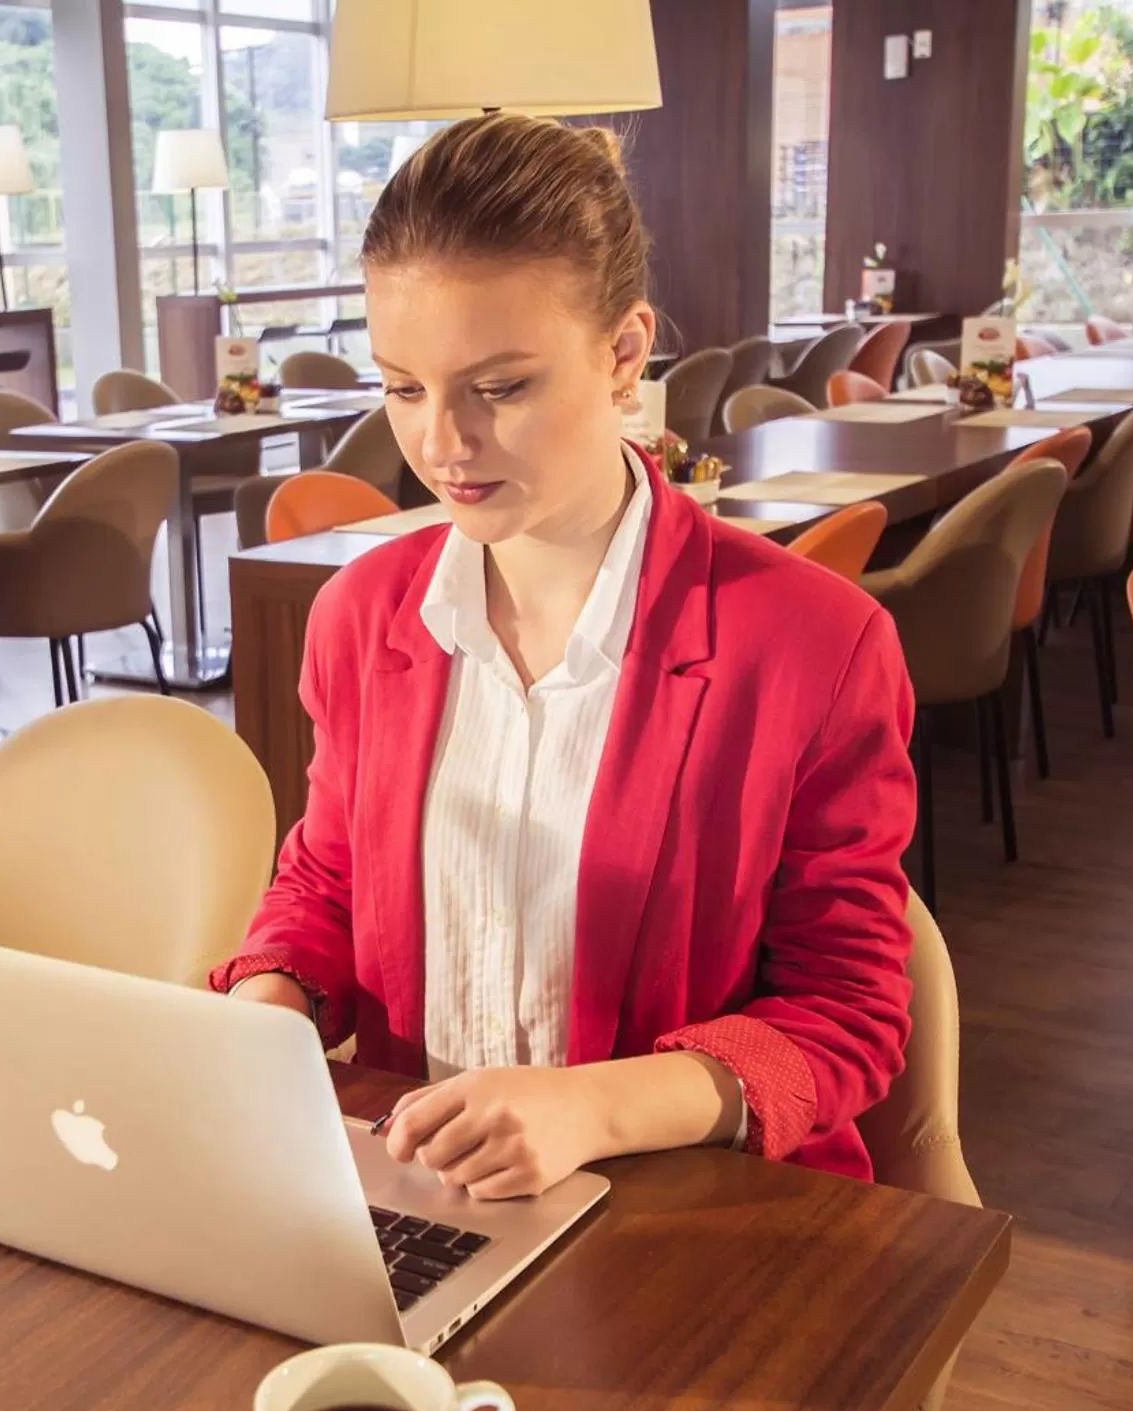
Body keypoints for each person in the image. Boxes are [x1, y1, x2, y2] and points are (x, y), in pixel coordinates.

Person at [211, 114, 916, 1198]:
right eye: (403, 387)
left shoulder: (811, 646)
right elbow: (327, 879)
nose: (441, 444)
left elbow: (846, 1017)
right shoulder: (359, 618)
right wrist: (271, 1001)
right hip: (430, 1195)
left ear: (623, 353)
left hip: (693, 1213)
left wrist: (592, 1105)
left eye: (498, 388)